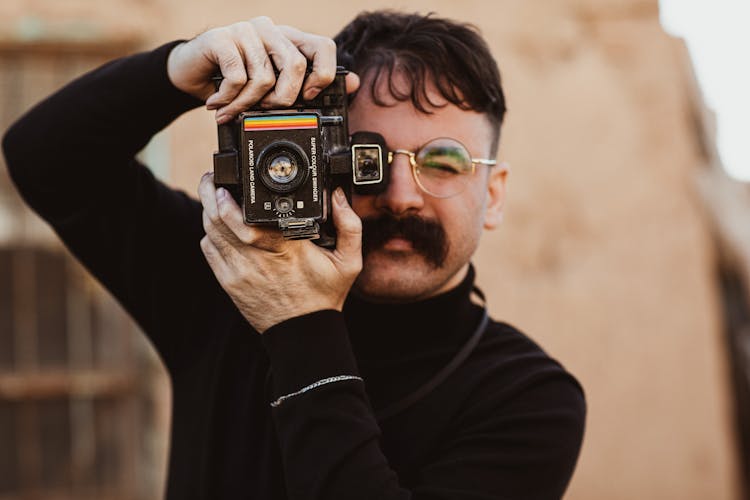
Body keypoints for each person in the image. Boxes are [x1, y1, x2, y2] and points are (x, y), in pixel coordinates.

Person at [2, 10, 586, 500]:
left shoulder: (529, 399)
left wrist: (299, 325)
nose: (401, 196)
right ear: (319, 155)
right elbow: (44, 157)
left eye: (443, 162)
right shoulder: (227, 275)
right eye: (366, 157)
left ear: (494, 194)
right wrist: (176, 70)